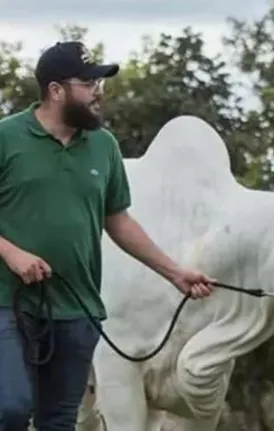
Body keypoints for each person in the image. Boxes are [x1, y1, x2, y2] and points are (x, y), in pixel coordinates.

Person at [0, 41, 216, 430]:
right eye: (88, 82)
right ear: (55, 90)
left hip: (77, 309)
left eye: (100, 81)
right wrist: (12, 252)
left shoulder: (103, 147)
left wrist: (174, 272)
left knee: (58, 422)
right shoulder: (7, 138)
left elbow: (119, 221)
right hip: (7, 304)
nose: (99, 90)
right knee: (10, 409)